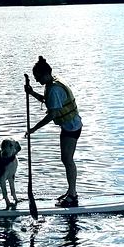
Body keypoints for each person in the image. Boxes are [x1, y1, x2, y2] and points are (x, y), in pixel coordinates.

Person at [25, 55, 83, 207]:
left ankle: (72, 195)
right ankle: (72, 191)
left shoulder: (54, 89)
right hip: (69, 126)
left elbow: (53, 114)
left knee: (67, 160)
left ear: (45, 74)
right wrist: (31, 93)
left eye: (37, 77)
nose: (36, 80)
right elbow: (49, 102)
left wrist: (33, 129)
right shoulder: (52, 83)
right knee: (66, 159)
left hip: (72, 127)